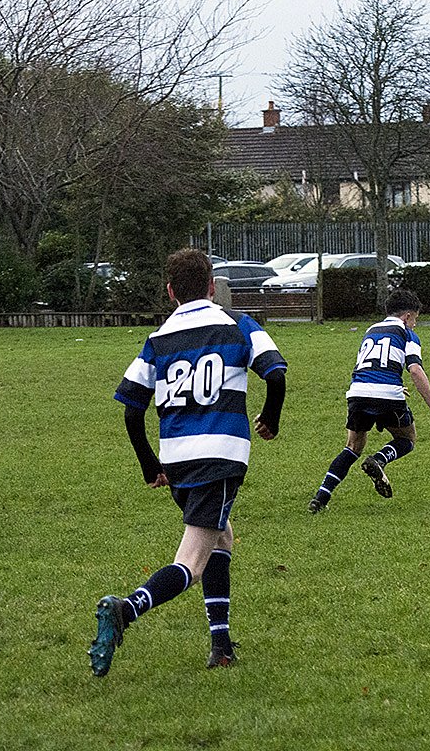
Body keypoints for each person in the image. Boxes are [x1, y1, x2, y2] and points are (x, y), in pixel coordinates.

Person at [88, 248, 287, 677]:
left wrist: (150, 465)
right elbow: (274, 372)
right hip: (220, 457)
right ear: (213, 286)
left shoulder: (159, 338)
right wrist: (271, 418)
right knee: (191, 563)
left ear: (170, 291)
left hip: (177, 460)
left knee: (222, 538)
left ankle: (221, 646)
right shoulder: (237, 324)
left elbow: (131, 410)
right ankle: (126, 609)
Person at [308, 288, 430, 513]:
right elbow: (415, 369)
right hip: (387, 395)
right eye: (415, 319)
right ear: (407, 316)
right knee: (407, 439)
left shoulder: (371, 330)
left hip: (358, 391)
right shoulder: (407, 333)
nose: (415, 325)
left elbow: (372, 363)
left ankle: (320, 498)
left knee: (353, 447)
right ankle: (379, 460)